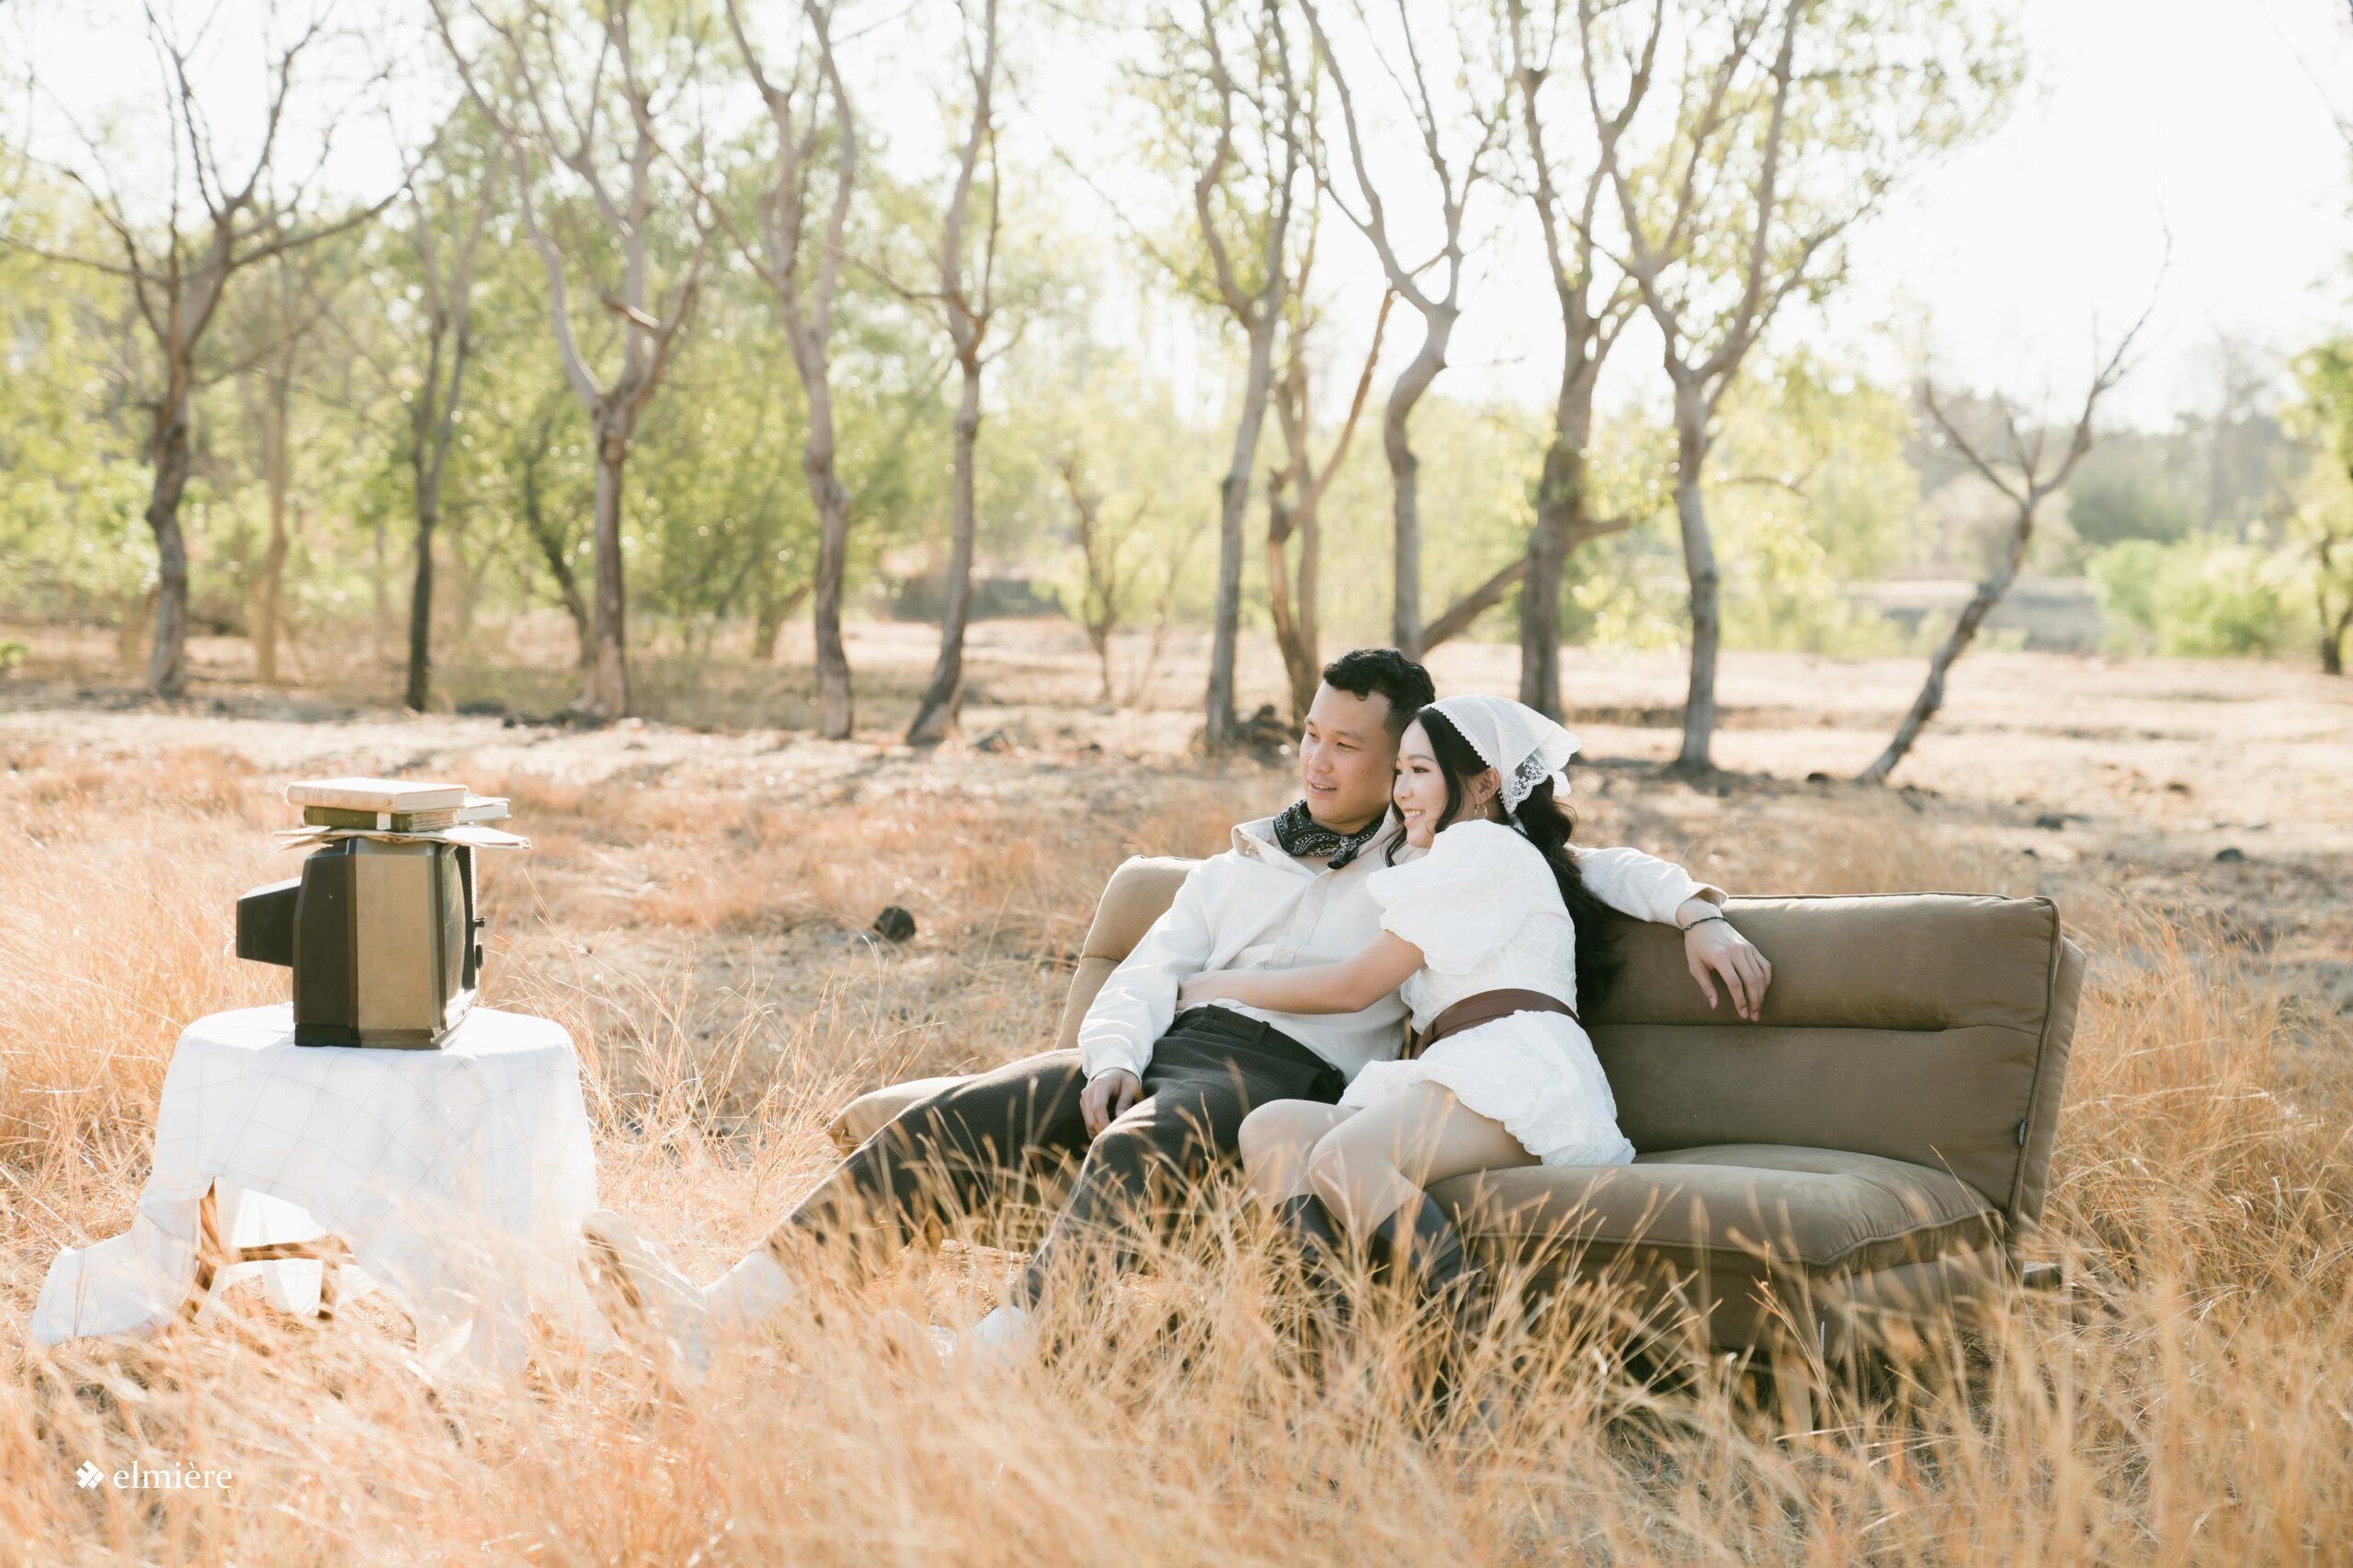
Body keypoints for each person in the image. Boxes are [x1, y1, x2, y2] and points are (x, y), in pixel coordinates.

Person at [577, 653, 1770, 1380]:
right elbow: (1150, 971)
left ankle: (1000, 1358)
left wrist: (1701, 909)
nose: (1318, 761)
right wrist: (1107, 1054)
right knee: (956, 1117)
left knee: (1154, 1134)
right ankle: (720, 1315)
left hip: (1284, 1074)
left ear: (1409, 758)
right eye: (1311, 736)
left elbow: (1584, 863)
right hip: (1162, 1053)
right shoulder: (1239, 860)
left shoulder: (1435, 853)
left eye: (1352, 747)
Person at [1180, 694, 1771, 1331]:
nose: (1402, 791)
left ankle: (1477, 1342)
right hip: (1461, 1069)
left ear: (1485, 783)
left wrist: (1217, 985)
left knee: (1343, 1156)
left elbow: (1353, 987)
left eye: (1421, 771)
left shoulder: (1480, 847)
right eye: (1399, 771)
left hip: (1515, 1069)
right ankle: (1333, 1337)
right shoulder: (1479, 855)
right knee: (1274, 1128)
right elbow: (1606, 869)